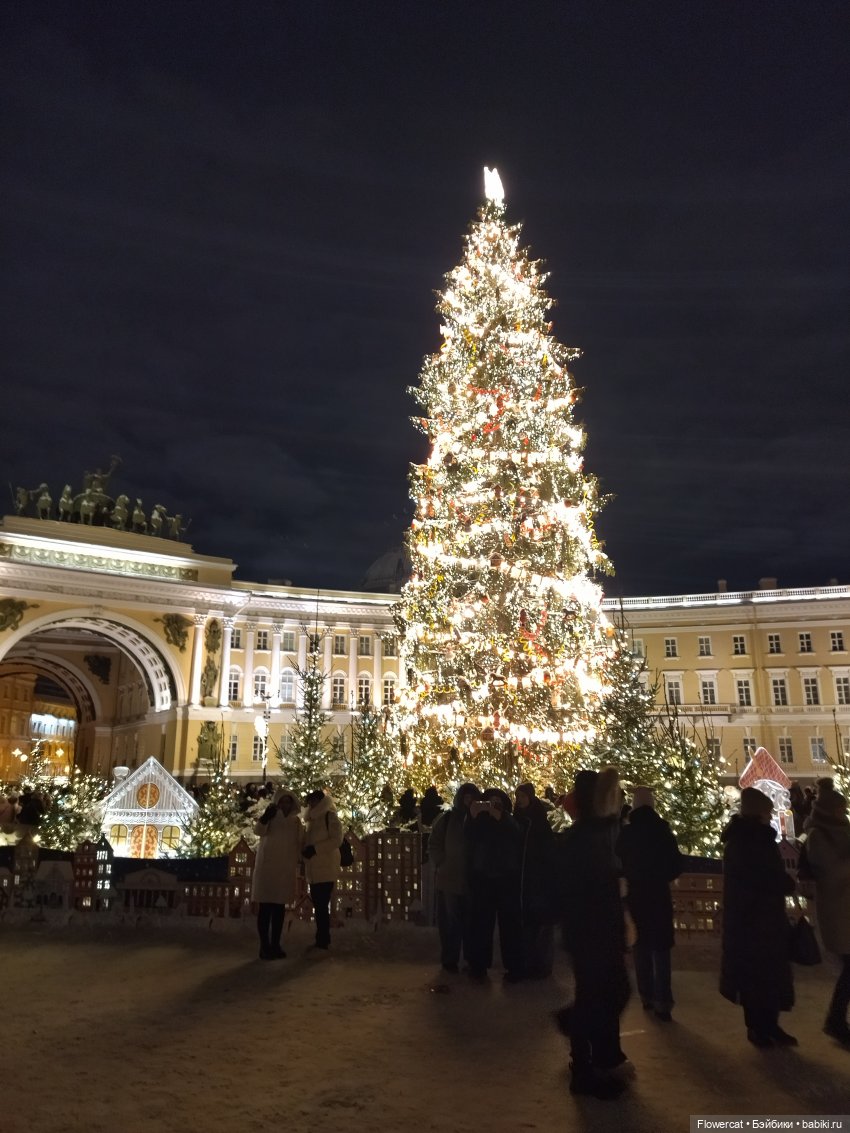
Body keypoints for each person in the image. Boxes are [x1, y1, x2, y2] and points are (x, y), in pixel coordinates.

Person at [555, 767, 631, 1099]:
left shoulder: (601, 833)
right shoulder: (583, 839)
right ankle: (584, 1065)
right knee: (600, 997)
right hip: (590, 933)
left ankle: (602, 1056)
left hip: (600, 931)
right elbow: (580, 890)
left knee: (608, 994)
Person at [720, 787, 796, 1047]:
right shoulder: (751, 840)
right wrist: (785, 883)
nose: (771, 813)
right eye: (768, 809)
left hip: (760, 917)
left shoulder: (747, 838)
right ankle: (758, 1028)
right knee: (757, 975)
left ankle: (769, 1025)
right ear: (759, 812)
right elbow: (760, 877)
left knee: (767, 974)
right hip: (754, 918)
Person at [616, 786, 683, 1021]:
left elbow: (619, 861)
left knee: (641, 946)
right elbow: (676, 864)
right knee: (661, 949)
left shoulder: (627, 833)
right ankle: (663, 1000)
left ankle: (646, 995)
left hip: (636, 895)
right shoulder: (662, 831)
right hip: (658, 894)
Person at [804, 783, 850, 1045]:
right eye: (840, 809)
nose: (843, 813)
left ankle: (836, 1019)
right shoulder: (817, 836)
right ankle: (835, 1020)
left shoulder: (842, 829)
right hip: (837, 911)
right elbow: (830, 874)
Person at [464, 787, 523, 982]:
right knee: (481, 924)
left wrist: (502, 818)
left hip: (506, 879)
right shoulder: (479, 821)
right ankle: (478, 965)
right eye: (490, 801)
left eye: (497, 802)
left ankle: (514, 966)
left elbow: (517, 836)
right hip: (483, 879)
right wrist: (472, 816)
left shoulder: (508, 820)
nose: (493, 805)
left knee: (510, 926)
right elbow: (469, 841)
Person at [429, 782, 480, 972]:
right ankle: (450, 959)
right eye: (466, 798)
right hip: (450, 879)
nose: (468, 802)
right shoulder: (448, 819)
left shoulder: (480, 819)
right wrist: (441, 861)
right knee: (450, 923)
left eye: (472, 798)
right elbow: (434, 842)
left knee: (470, 922)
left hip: (472, 880)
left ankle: (470, 958)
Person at [251, 788, 303, 960]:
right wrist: (266, 816)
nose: (285, 805)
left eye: (288, 802)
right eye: (283, 801)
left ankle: (275, 944)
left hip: (284, 869)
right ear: (278, 802)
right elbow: (258, 830)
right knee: (265, 908)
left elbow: (300, 842)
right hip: (268, 868)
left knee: (279, 910)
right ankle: (264, 946)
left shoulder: (295, 822)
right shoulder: (271, 816)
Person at [515, 782, 556, 978]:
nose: (519, 800)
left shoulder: (537, 821)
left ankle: (539, 967)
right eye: (517, 796)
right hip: (523, 879)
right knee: (527, 926)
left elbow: (546, 850)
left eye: (522, 796)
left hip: (536, 880)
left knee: (538, 925)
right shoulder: (518, 819)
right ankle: (528, 964)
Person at [302, 789, 343, 950]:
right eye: (310, 801)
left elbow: (337, 840)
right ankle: (322, 937)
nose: (311, 804)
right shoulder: (311, 821)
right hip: (313, 869)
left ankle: (323, 938)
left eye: (314, 801)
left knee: (321, 904)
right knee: (319, 904)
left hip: (326, 868)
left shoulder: (329, 816)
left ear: (321, 801)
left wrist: (315, 849)